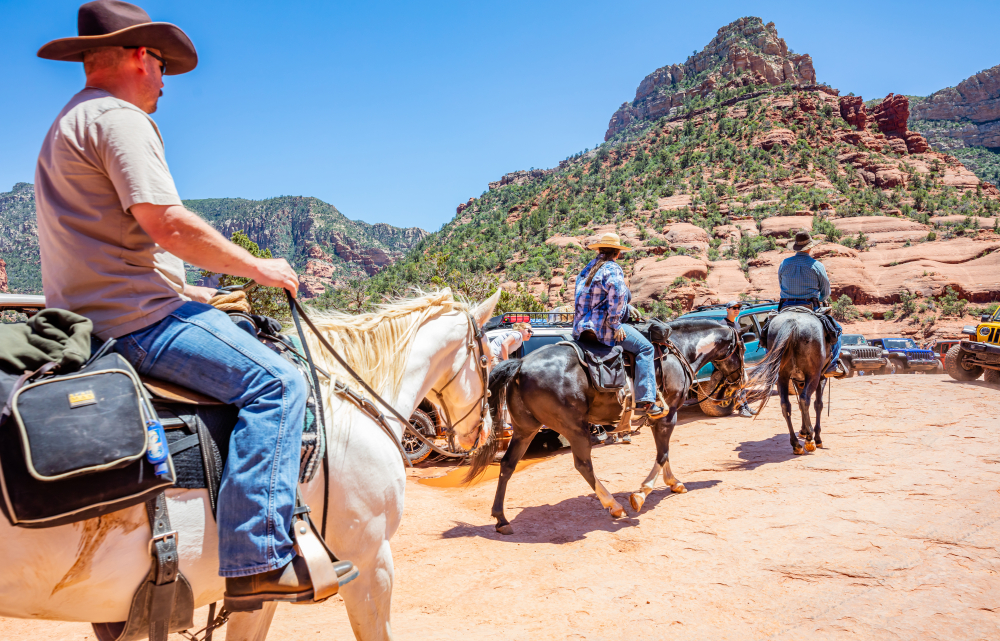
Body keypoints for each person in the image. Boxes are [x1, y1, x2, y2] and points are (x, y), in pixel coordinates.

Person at [34, 0, 352, 611]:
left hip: (94, 316)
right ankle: (257, 557)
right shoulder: (120, 118)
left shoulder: (67, 123)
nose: (164, 83)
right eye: (160, 66)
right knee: (279, 383)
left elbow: (105, 240)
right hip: (137, 320)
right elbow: (167, 223)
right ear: (137, 56)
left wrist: (190, 289)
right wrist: (259, 267)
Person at [573, 233, 663, 416]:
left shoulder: (587, 268)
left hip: (581, 328)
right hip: (603, 329)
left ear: (599, 250)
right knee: (646, 349)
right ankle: (646, 401)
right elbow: (618, 294)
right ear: (618, 253)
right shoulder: (612, 268)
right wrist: (615, 324)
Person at [777, 231, 846, 378]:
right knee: (837, 330)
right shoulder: (817, 265)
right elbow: (825, 292)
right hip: (809, 306)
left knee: (769, 330)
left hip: (786, 306)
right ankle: (832, 365)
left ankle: (771, 365)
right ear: (810, 247)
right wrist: (819, 298)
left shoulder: (784, 264)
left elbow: (781, 285)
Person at [723, 301, 757, 418]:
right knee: (738, 383)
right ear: (727, 309)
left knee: (742, 382)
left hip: (738, 359)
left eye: (738, 308)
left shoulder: (736, 324)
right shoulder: (723, 325)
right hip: (729, 361)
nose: (736, 310)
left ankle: (745, 406)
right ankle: (742, 408)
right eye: (734, 308)